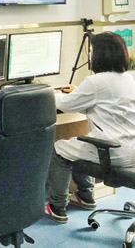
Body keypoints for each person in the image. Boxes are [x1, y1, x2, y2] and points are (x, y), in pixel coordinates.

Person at [46, 32, 135, 223]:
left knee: (59, 150)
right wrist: (79, 93)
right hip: (131, 150)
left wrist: (46, 93)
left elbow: (65, 105)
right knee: (78, 145)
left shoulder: (96, 82)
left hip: (113, 152)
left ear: (99, 55)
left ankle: (57, 206)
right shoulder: (128, 79)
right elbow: (105, 104)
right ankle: (85, 196)